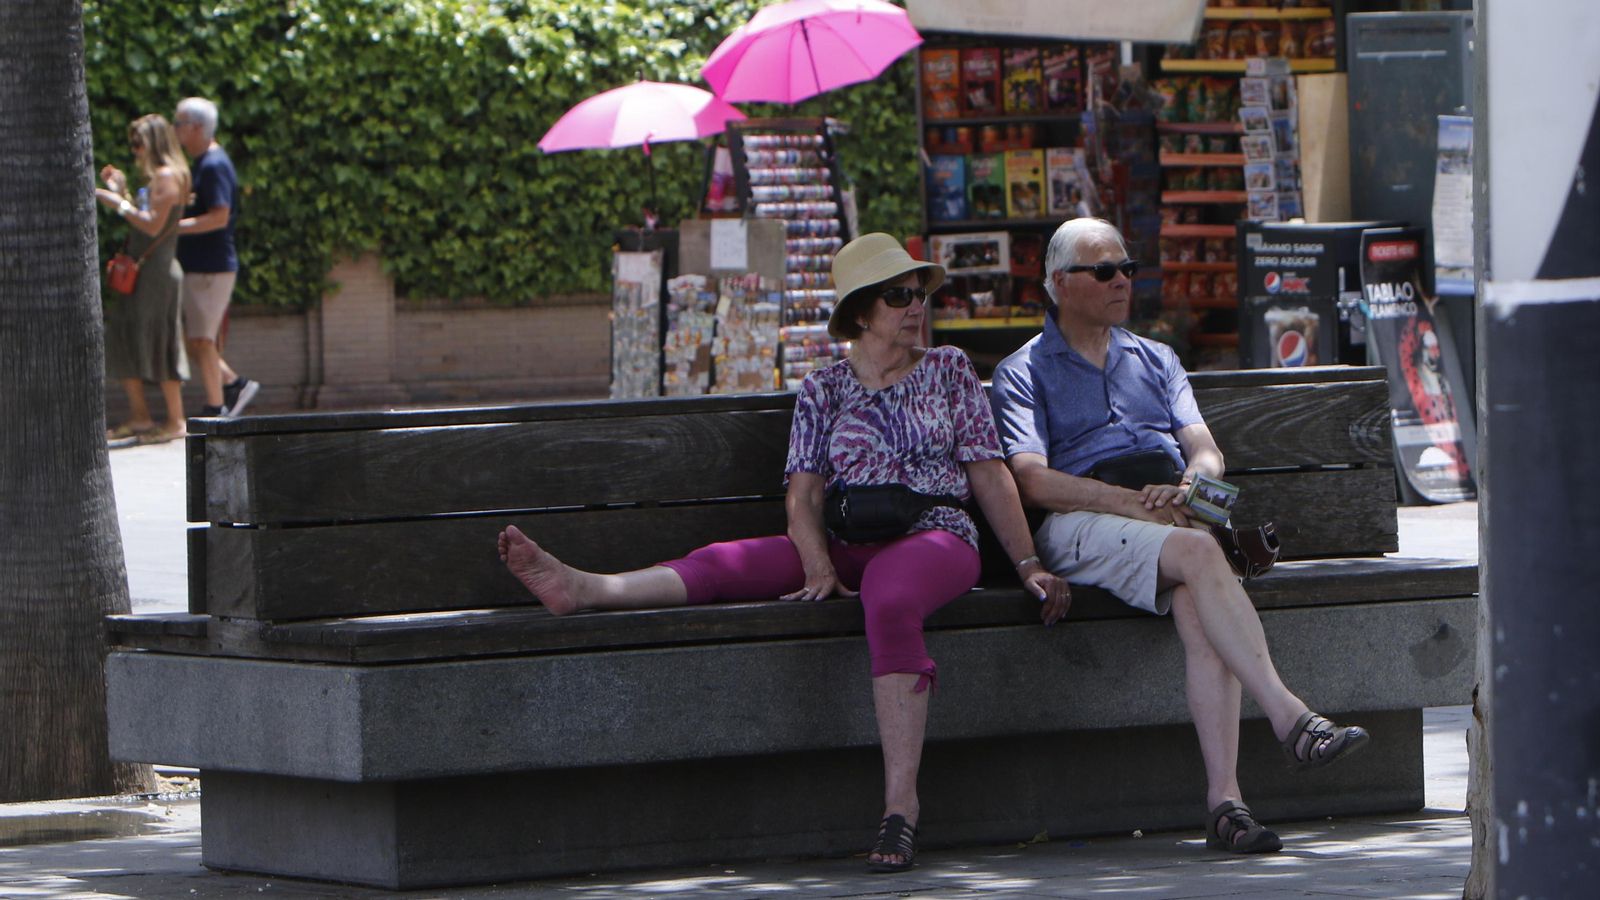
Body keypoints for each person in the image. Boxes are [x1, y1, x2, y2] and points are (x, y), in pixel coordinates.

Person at [498, 233, 1070, 873]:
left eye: (920, 294)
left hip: (935, 536)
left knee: (891, 596)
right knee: (723, 560)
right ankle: (588, 589)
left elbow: (989, 474)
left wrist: (1028, 565)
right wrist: (818, 563)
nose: (917, 306)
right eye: (898, 295)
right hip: (847, 541)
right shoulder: (823, 387)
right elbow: (803, 497)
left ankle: (900, 809)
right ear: (859, 312)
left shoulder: (949, 369)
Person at [990, 218, 1370, 855]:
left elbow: (1206, 451)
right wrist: (1131, 505)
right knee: (1198, 552)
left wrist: (1189, 490)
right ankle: (1291, 717)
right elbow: (1030, 480)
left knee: (1198, 601)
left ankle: (1226, 803)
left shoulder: (1156, 359)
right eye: (1104, 270)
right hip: (1083, 522)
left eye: (1127, 268)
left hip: (1168, 518)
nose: (1121, 281)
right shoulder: (1024, 370)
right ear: (1059, 284)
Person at [95, 114, 191, 445]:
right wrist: (123, 192)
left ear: (154, 143)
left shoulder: (167, 176)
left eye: (139, 143)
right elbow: (149, 220)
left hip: (157, 276)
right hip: (144, 274)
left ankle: (176, 420)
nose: (135, 151)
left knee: (161, 340)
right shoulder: (159, 177)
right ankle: (140, 416)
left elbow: (152, 226)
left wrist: (119, 204)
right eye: (132, 143)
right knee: (124, 332)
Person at [173, 96, 259, 418]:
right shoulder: (203, 163)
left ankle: (216, 406)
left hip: (211, 268)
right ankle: (234, 385)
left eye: (179, 124)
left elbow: (219, 216)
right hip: (202, 266)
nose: (175, 130)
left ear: (196, 128)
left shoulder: (213, 165)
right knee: (196, 340)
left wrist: (174, 228)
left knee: (202, 340)